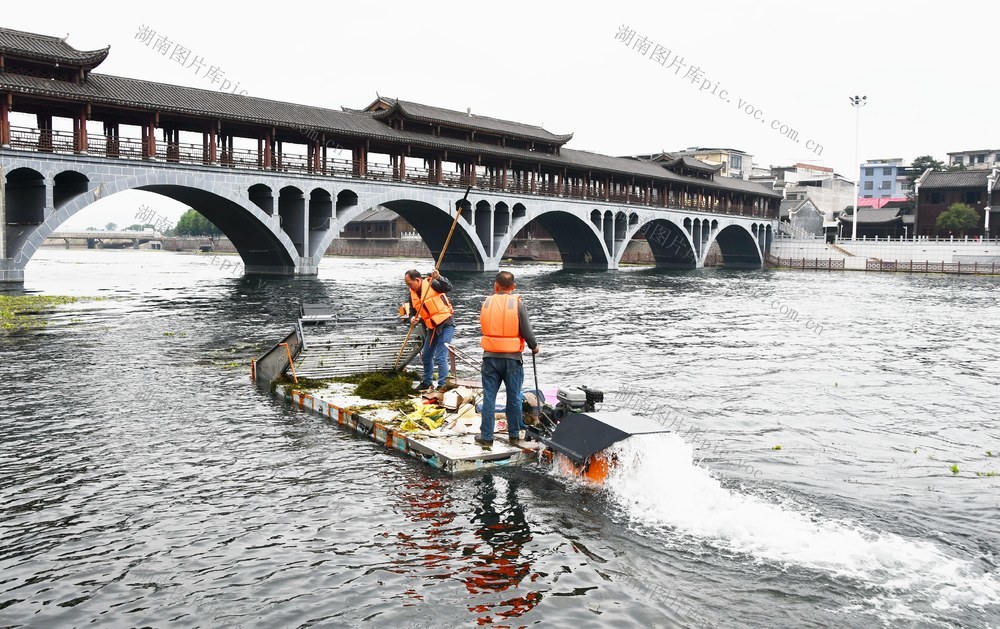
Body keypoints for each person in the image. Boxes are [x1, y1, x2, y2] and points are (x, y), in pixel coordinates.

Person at [476, 271, 539, 447]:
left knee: (489, 398)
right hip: (512, 359)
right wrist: (534, 346)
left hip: (490, 357)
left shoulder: (486, 303)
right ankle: (514, 435)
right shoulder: (517, 304)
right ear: (513, 287)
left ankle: (486, 437)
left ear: (495, 286)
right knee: (514, 397)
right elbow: (526, 330)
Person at [404, 268, 455, 391]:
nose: (409, 287)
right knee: (426, 355)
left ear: (417, 280)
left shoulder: (433, 283)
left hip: (445, 324)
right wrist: (411, 319)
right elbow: (411, 312)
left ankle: (442, 384)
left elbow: (448, 287)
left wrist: (439, 278)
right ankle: (427, 382)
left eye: (410, 284)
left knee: (440, 355)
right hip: (431, 327)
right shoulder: (412, 294)